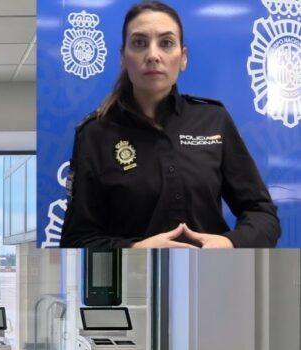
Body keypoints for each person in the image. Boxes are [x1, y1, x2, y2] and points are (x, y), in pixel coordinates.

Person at [59, 1, 280, 249]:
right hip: (134, 284)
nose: (153, 55)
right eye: (139, 43)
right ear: (123, 57)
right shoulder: (95, 134)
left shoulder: (213, 120)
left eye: (166, 43)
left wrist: (230, 243)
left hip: (212, 280)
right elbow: (76, 240)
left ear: (182, 58)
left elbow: (263, 215)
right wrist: (135, 251)